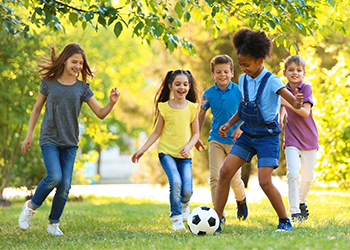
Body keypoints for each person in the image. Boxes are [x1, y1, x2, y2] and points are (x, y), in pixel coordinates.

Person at [19, 43, 121, 236]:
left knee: (65, 185)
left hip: (70, 142)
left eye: (81, 63)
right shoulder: (49, 83)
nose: (78, 66)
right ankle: (31, 206)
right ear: (64, 60)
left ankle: (53, 223)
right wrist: (29, 135)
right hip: (49, 138)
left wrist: (111, 102)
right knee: (54, 177)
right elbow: (36, 109)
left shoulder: (82, 88)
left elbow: (100, 113)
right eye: (74, 62)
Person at [214, 29, 304, 232]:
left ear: (260, 60)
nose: (243, 69)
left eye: (247, 64)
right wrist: (229, 124)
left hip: (267, 137)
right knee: (225, 172)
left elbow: (293, 103)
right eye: (240, 65)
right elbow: (244, 107)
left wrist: (297, 102)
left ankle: (284, 220)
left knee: (264, 181)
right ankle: (216, 220)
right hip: (247, 134)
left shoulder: (272, 80)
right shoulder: (244, 80)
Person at [131, 70, 199, 231]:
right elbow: (156, 132)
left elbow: (196, 133)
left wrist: (188, 147)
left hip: (185, 155)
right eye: (177, 84)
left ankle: (184, 206)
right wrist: (142, 150)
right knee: (175, 182)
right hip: (166, 152)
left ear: (189, 86)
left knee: (187, 190)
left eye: (185, 84)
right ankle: (176, 218)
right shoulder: (164, 108)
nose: (181, 87)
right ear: (170, 86)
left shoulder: (192, 108)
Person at [195, 55, 248, 222]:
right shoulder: (208, 94)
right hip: (216, 140)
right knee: (215, 177)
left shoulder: (240, 91)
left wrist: (240, 128)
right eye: (218, 72)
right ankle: (219, 214)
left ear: (232, 73)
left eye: (226, 71)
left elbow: (247, 111)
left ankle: (241, 200)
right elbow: (201, 114)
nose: (222, 75)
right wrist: (196, 135)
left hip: (236, 141)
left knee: (234, 179)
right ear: (212, 74)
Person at [279, 55, 318, 223]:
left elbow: (305, 112)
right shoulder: (282, 90)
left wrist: (287, 103)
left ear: (304, 73)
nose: (295, 73)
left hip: (309, 138)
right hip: (292, 138)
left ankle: (301, 202)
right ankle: (294, 211)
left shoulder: (306, 88)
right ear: (285, 72)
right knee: (293, 173)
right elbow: (280, 106)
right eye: (291, 70)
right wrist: (280, 119)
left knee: (308, 178)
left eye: (298, 70)